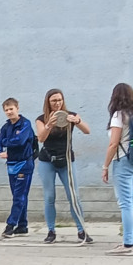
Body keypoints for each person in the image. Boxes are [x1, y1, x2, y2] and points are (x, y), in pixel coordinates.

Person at [35, 89, 93, 244]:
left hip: (66, 160)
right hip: (47, 161)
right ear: (48, 102)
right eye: (54, 101)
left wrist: (77, 121)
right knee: (49, 196)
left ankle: (82, 231)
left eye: (60, 100)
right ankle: (51, 231)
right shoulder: (41, 119)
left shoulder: (71, 115)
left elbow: (87, 131)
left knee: (73, 196)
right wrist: (48, 125)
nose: (57, 103)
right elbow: (40, 138)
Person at [102, 83, 133, 255]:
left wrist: (105, 165)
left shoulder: (119, 115)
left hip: (123, 160)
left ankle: (127, 244)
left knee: (125, 204)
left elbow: (113, 143)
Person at [0, 97, 36, 238]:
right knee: (19, 196)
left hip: (24, 164)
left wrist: (6, 143)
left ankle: (10, 226)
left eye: (11, 109)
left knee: (19, 196)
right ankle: (22, 226)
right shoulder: (6, 127)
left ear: (17, 108)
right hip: (11, 165)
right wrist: (0, 152)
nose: (9, 112)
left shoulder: (25, 124)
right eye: (6, 110)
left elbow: (20, 141)